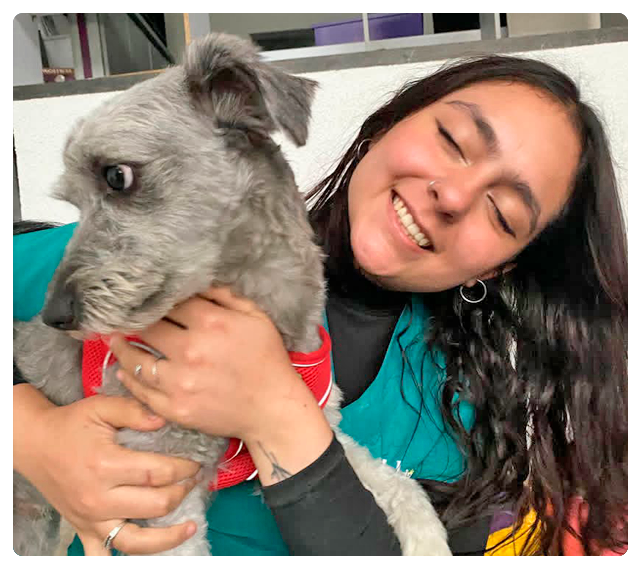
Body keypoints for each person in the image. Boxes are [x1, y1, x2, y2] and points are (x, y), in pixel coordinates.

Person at [13, 54, 627, 556]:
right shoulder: (136, 254)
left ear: (499, 267)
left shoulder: (462, 419)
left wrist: (277, 415)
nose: (453, 195)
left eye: (502, 213)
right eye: (451, 139)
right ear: (388, 123)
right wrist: (33, 435)